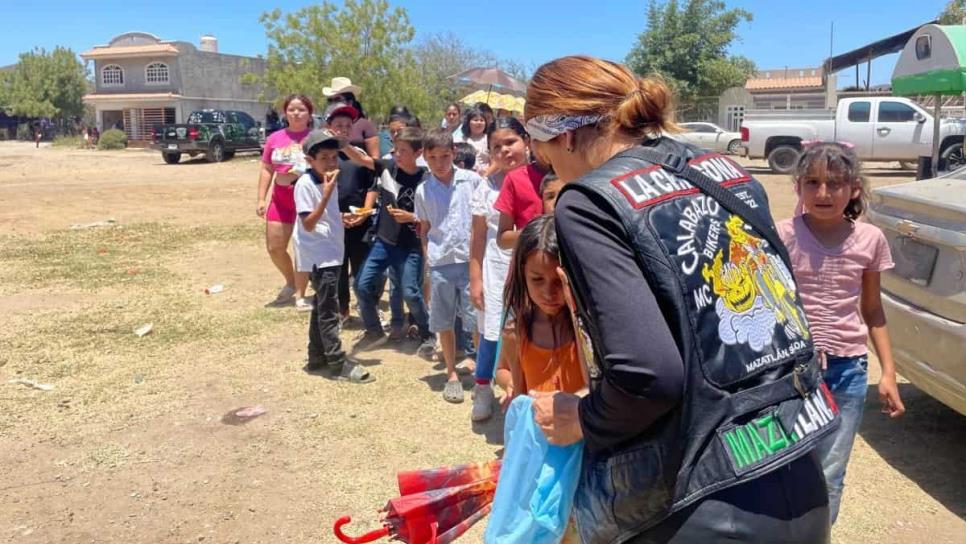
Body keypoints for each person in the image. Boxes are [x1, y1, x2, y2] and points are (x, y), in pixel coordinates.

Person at [526, 55, 833, 543]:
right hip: (797, 469)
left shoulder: (589, 201)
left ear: (562, 135)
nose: (550, 167)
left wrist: (580, 418)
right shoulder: (723, 170)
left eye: (542, 152)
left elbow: (649, 377)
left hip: (703, 503)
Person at [777, 142, 905, 524]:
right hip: (789, 373)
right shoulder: (780, 235)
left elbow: (872, 309)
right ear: (798, 187)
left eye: (835, 183)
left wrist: (888, 373)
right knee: (782, 467)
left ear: (854, 189)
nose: (823, 193)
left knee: (830, 472)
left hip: (847, 372)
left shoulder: (869, 240)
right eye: (812, 182)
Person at [343, 127, 437, 358]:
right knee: (361, 286)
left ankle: (428, 333)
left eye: (403, 151)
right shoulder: (387, 168)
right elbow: (363, 158)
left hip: (410, 246)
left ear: (418, 153)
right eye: (395, 149)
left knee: (411, 293)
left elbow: (434, 215)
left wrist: (412, 218)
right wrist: (342, 144)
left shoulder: (427, 178)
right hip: (383, 242)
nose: (396, 154)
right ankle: (374, 331)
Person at [295, 128, 373, 384]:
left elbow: (323, 217)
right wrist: (327, 195)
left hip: (331, 251)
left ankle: (316, 356)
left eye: (334, 157)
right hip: (320, 255)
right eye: (324, 158)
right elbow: (308, 223)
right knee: (329, 310)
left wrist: (340, 218)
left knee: (321, 304)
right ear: (310, 160)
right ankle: (337, 362)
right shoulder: (307, 184)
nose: (330, 162)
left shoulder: (326, 180)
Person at [468, 117, 530, 421]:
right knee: (492, 331)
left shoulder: (543, 179)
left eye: (510, 142)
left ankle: (525, 390)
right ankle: (483, 387)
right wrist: (475, 277)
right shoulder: (486, 188)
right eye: (496, 147)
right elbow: (478, 237)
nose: (505, 151)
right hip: (496, 268)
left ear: (526, 141)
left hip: (533, 270)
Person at [415, 128, 483, 404]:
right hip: (441, 261)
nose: (440, 162)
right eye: (433, 157)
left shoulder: (473, 182)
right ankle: (451, 372)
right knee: (443, 320)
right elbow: (425, 228)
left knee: (475, 320)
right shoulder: (423, 189)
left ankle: (480, 373)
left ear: (454, 154)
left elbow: (482, 223)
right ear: (425, 158)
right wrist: (428, 262)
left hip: (470, 262)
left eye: (445, 156)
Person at [257, 94, 313, 310]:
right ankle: (291, 281)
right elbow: (266, 168)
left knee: (302, 248)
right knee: (275, 246)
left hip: (307, 200)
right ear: (285, 113)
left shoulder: (315, 138)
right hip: (280, 200)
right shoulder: (275, 138)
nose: (296, 113)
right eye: (291, 109)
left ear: (309, 113)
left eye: (301, 109)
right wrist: (261, 198)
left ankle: (301, 294)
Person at [325, 103, 376, 326]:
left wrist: (365, 213)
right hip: (334, 222)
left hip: (359, 222)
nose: (343, 129)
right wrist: (335, 216)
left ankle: (369, 312)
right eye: (338, 125)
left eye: (348, 125)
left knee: (362, 271)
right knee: (337, 270)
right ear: (329, 127)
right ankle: (342, 311)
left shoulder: (360, 154)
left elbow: (372, 185)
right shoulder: (324, 155)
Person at [323, 77, 380, 158]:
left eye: (337, 99)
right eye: (330, 100)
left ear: (350, 102)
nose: (333, 103)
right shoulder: (326, 125)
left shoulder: (365, 125)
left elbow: (375, 159)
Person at [454, 105, 490, 174]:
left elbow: (495, 162)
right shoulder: (461, 139)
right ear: (468, 122)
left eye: (482, 120)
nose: (479, 122)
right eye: (475, 120)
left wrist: (485, 173)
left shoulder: (489, 139)